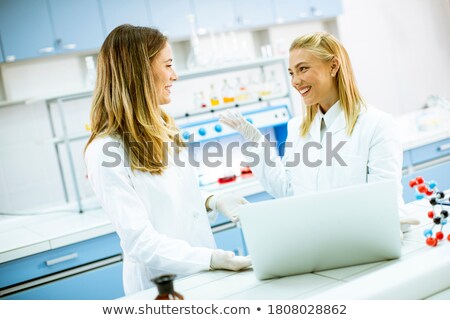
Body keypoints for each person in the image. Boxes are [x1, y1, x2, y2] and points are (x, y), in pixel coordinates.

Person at [84, 25, 251, 296]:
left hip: (200, 276)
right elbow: (139, 241)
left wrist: (211, 200)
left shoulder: (161, 127)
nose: (175, 75)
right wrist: (209, 259)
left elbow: (170, 194)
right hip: (160, 287)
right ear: (138, 71)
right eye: (168, 65)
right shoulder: (105, 150)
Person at [220, 32, 418, 234]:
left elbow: (383, 201)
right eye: (291, 73)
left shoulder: (376, 124)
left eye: (303, 69)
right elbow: (289, 191)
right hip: (315, 241)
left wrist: (397, 219)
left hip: (361, 239)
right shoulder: (296, 128)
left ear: (333, 66)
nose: (295, 81)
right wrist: (257, 143)